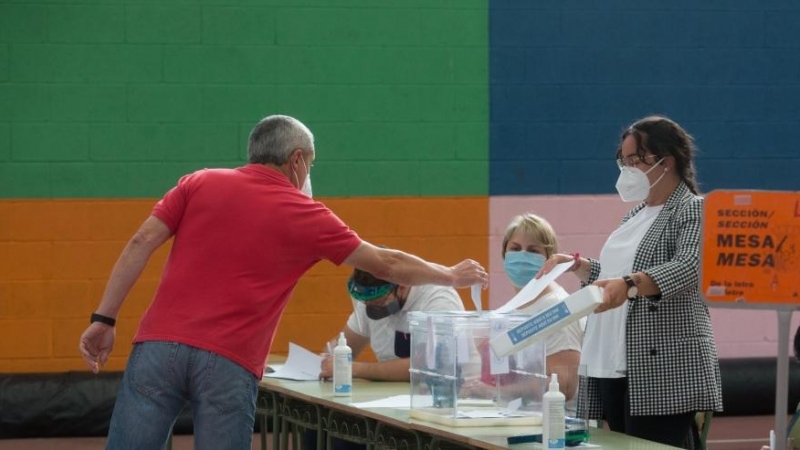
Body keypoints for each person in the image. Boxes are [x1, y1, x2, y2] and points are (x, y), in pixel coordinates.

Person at [77, 114, 488, 450]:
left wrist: (104, 318)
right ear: (297, 160)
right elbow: (387, 263)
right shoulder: (308, 215)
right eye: (312, 162)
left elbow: (140, 242)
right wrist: (448, 274)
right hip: (229, 360)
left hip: (157, 347)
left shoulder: (198, 182)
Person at [540, 115, 722, 448]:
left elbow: (689, 267)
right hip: (612, 358)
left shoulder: (693, 208)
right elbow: (614, 278)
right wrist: (579, 266)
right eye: (623, 161)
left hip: (662, 363)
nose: (626, 168)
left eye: (634, 160)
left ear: (665, 162)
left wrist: (630, 283)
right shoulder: (635, 215)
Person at [461, 213, 584, 405]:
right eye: (515, 248)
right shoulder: (512, 308)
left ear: (549, 259)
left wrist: (495, 391)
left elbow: (564, 386)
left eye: (533, 250)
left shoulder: (557, 309)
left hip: (555, 425)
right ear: (504, 253)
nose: (522, 256)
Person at [318, 267, 465, 382]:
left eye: (378, 302)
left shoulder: (439, 299)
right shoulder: (371, 298)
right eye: (366, 302)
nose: (371, 307)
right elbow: (345, 344)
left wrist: (353, 369)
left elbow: (427, 367)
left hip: (449, 395)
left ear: (402, 287)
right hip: (395, 396)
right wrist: (327, 359)